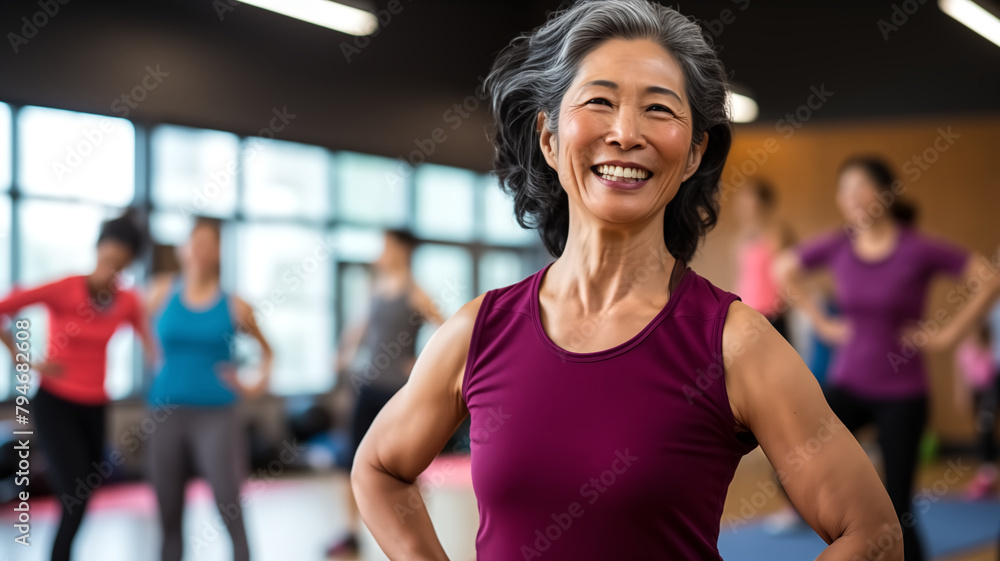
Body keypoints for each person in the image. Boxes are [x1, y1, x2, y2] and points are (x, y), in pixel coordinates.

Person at [351, 1, 902, 559]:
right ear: (548, 137)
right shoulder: (479, 332)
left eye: (659, 110)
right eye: (599, 101)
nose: (624, 132)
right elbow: (378, 468)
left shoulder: (735, 343)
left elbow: (873, 535)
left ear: (693, 153)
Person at [776, 155, 1000, 561]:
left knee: (898, 505)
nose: (852, 198)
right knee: (794, 458)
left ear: (885, 194)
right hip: (849, 384)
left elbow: (988, 278)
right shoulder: (838, 244)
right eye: (844, 190)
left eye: (861, 187)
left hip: (903, 394)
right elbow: (784, 267)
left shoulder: (917, 248)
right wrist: (822, 323)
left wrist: (949, 334)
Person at [0, 211, 154, 561]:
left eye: (121, 263)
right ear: (97, 250)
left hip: (96, 405)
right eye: (108, 257)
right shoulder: (65, 288)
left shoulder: (128, 301)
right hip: (56, 402)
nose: (111, 267)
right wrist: (20, 356)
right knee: (74, 494)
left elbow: (150, 345)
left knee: (85, 492)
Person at [144, 217, 273, 561]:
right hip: (166, 409)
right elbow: (140, 332)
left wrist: (254, 383)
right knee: (168, 509)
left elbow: (268, 352)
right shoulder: (158, 292)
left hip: (216, 411)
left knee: (228, 502)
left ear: (218, 252)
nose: (200, 251)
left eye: (208, 244)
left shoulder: (234, 305)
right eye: (194, 243)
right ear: (182, 250)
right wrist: (158, 364)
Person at [326, 228, 444, 558]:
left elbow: (446, 330)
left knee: (404, 467)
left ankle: (417, 533)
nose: (382, 251)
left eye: (387, 246)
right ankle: (350, 533)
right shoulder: (376, 287)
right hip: (368, 384)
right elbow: (360, 326)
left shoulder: (415, 293)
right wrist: (343, 351)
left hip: (397, 391)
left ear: (402, 250)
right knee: (351, 459)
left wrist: (420, 365)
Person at [733, 178, 795, 339]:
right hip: (747, 313)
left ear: (763, 203)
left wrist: (787, 303)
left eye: (749, 200)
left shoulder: (779, 232)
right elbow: (742, 276)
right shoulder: (742, 236)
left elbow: (790, 272)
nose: (744, 205)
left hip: (773, 312)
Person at [953, 321, 998, 499]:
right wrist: (961, 395)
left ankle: (987, 474)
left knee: (985, 427)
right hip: (978, 394)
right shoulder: (963, 351)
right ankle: (987, 474)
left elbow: (991, 374)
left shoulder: (989, 349)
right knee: (982, 430)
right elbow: (961, 377)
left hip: (991, 390)